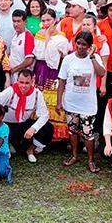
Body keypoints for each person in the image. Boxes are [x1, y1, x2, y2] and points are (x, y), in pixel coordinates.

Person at [58, 31, 107, 173]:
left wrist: (91, 57)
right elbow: (62, 81)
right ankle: (74, 156)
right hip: (71, 102)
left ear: (89, 46)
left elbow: (102, 73)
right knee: (72, 130)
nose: (80, 47)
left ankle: (91, 161)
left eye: (84, 44)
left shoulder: (95, 57)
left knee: (88, 133)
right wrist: (59, 101)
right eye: (78, 43)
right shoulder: (68, 59)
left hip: (87, 105)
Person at [0, 69, 52, 163]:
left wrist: (33, 128)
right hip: (8, 124)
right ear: (17, 81)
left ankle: (30, 149)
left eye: (27, 83)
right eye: (21, 82)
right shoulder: (10, 91)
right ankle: (8, 144)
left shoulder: (37, 94)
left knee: (48, 128)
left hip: (24, 124)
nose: (24, 86)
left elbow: (44, 115)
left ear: (32, 81)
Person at [33, 9, 71, 141]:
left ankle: (56, 134)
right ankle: (39, 131)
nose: (45, 23)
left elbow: (53, 60)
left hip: (53, 71)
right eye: (43, 21)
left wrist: (48, 36)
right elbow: (37, 54)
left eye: (48, 20)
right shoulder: (38, 34)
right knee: (40, 97)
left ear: (55, 20)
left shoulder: (61, 37)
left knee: (53, 99)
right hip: (40, 69)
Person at [9, 9, 35, 80]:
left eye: (18, 21)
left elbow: (29, 60)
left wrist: (14, 69)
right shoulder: (14, 35)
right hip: (12, 75)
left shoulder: (28, 37)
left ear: (25, 22)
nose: (16, 24)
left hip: (23, 76)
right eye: (14, 21)